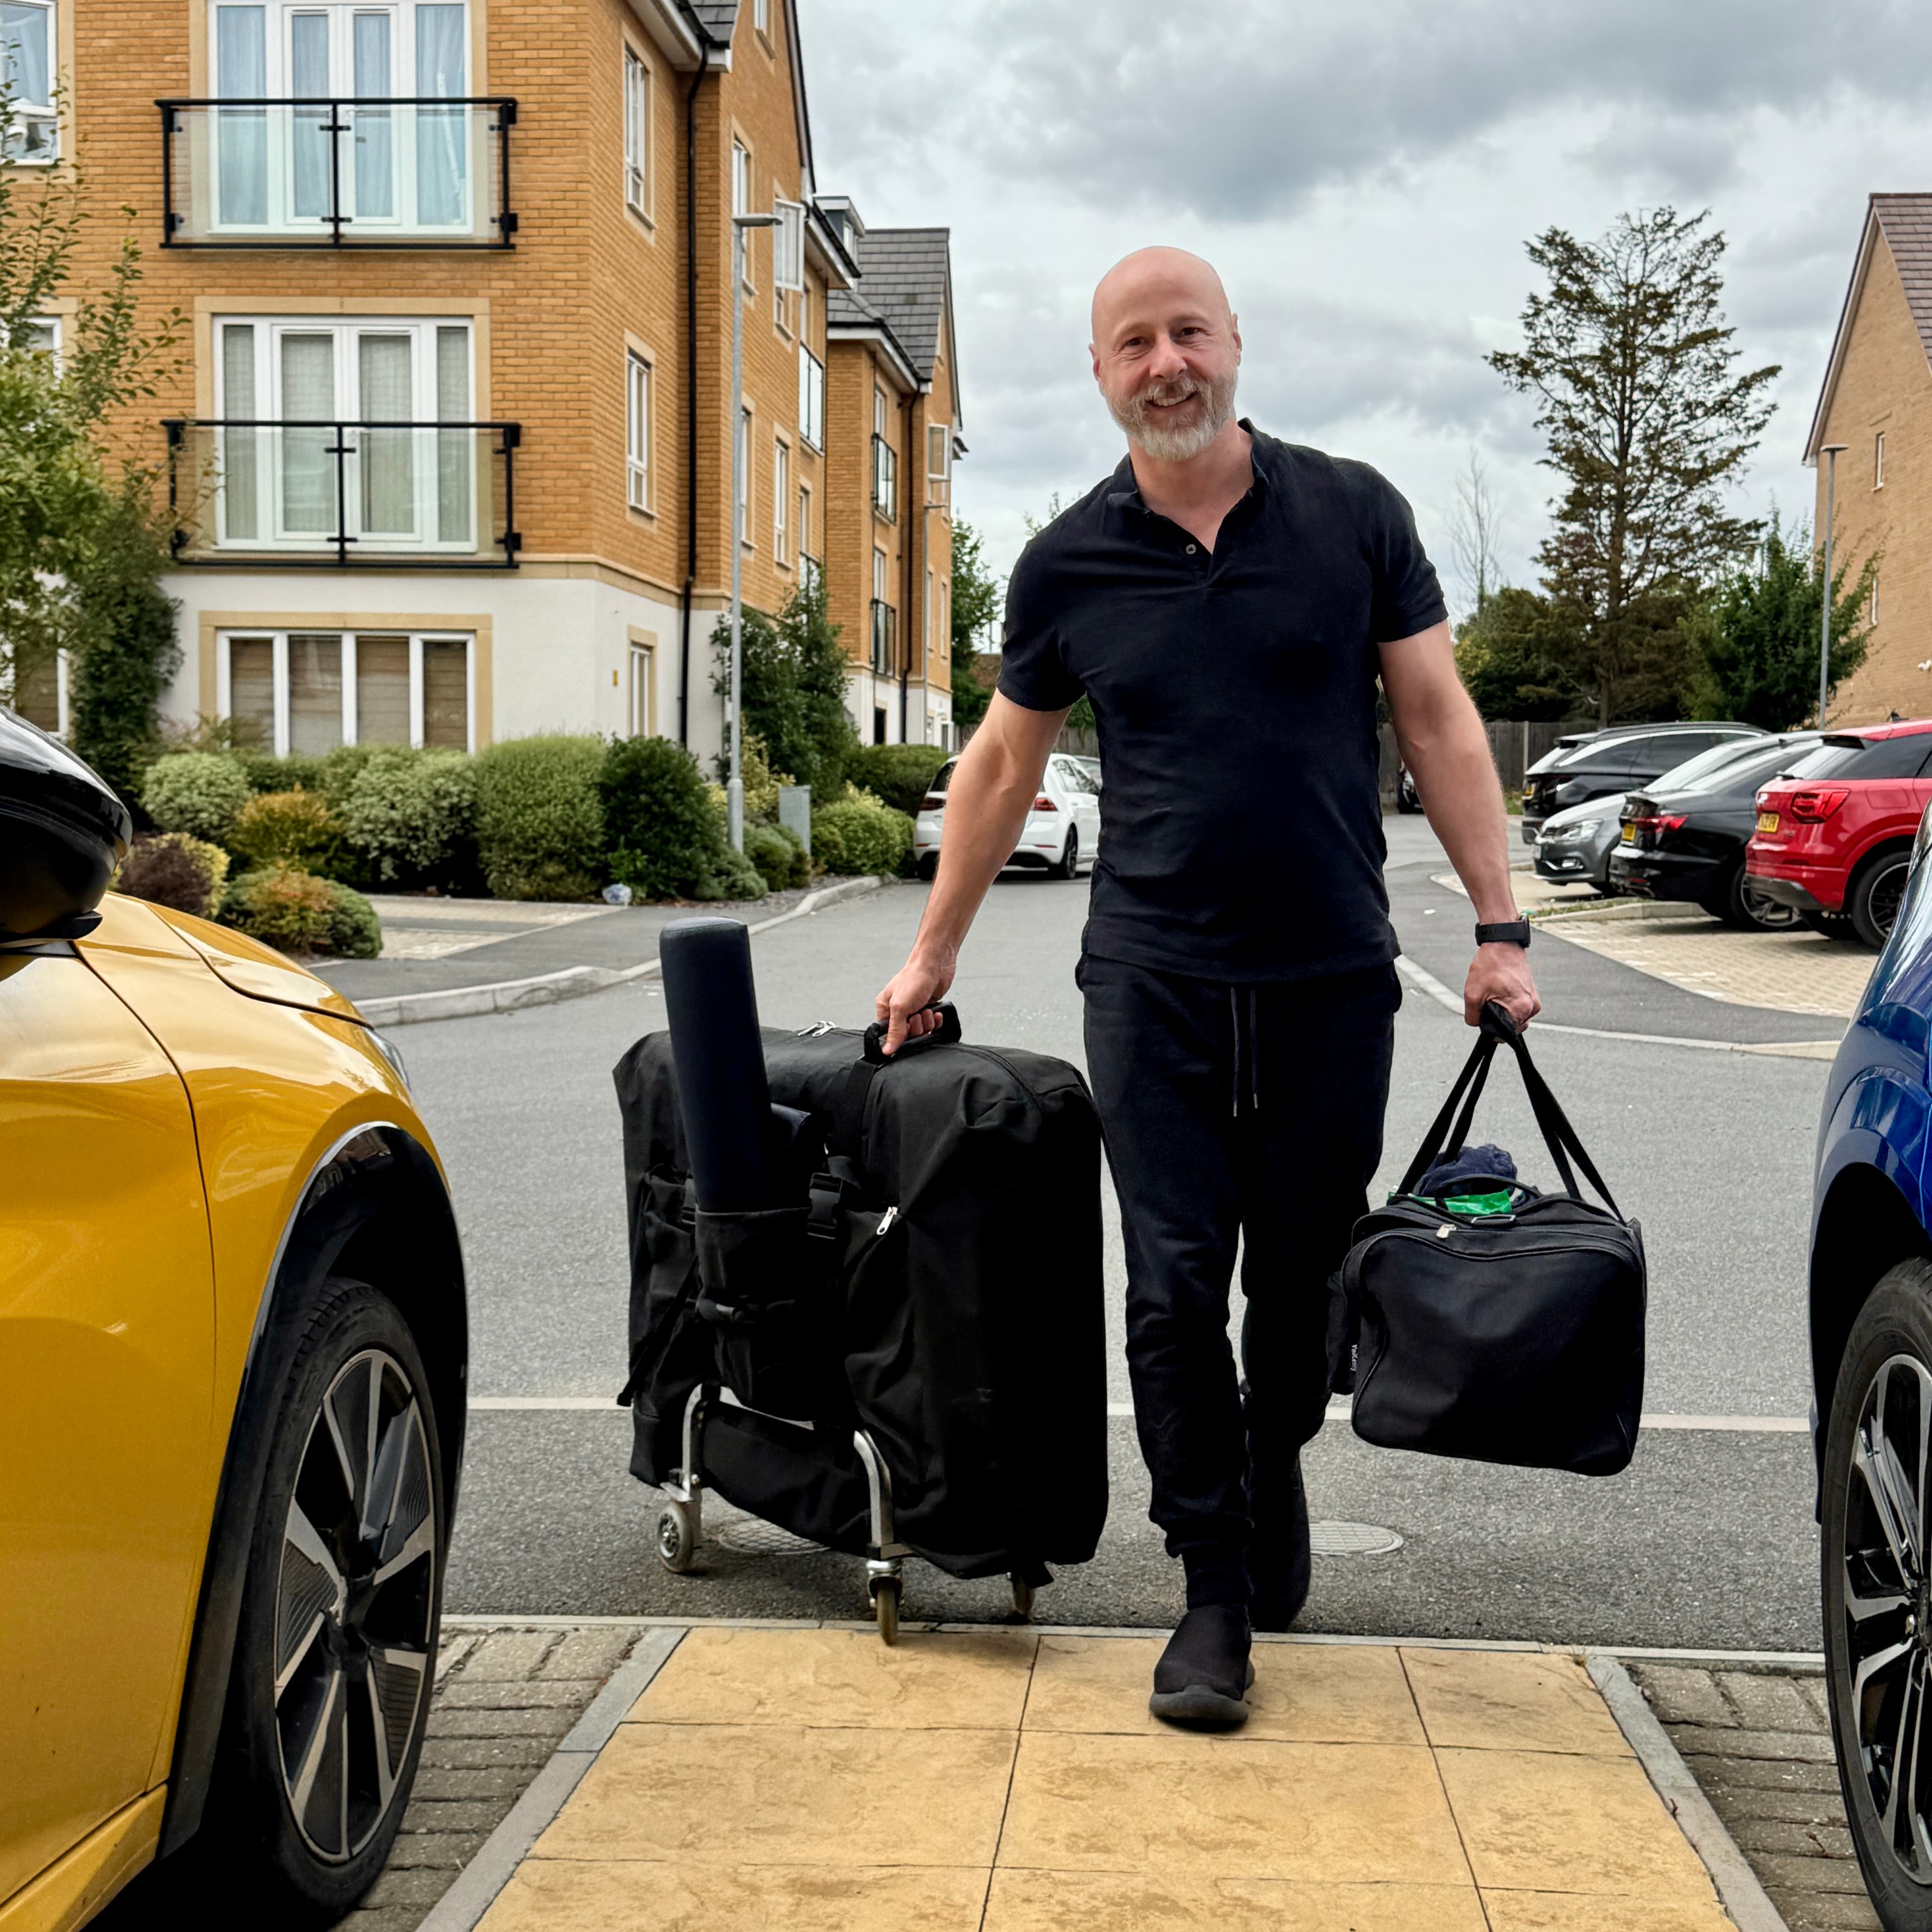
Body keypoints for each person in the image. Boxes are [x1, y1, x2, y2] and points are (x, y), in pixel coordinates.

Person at [874, 247, 1540, 1729]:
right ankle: (1213, 1586)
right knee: (1173, 1285)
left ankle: (1274, 1452)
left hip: (1327, 980)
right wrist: (932, 954)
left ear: (1234, 344)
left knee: (1300, 1287)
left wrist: (1503, 929)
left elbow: (1434, 713)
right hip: (1155, 981)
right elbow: (1000, 764)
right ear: (1101, 376)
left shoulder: (1357, 514)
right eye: (1132, 343)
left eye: (1188, 332)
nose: (1165, 362)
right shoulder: (1067, 561)